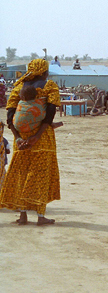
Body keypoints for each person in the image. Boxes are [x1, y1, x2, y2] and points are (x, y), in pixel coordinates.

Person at [0, 59, 62, 226]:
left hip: (20, 139)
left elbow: (10, 116)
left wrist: (19, 138)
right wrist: (37, 136)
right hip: (42, 140)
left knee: (22, 174)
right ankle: (40, 216)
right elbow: (50, 114)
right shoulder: (49, 86)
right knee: (39, 175)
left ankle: (22, 215)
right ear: (44, 71)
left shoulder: (18, 87)